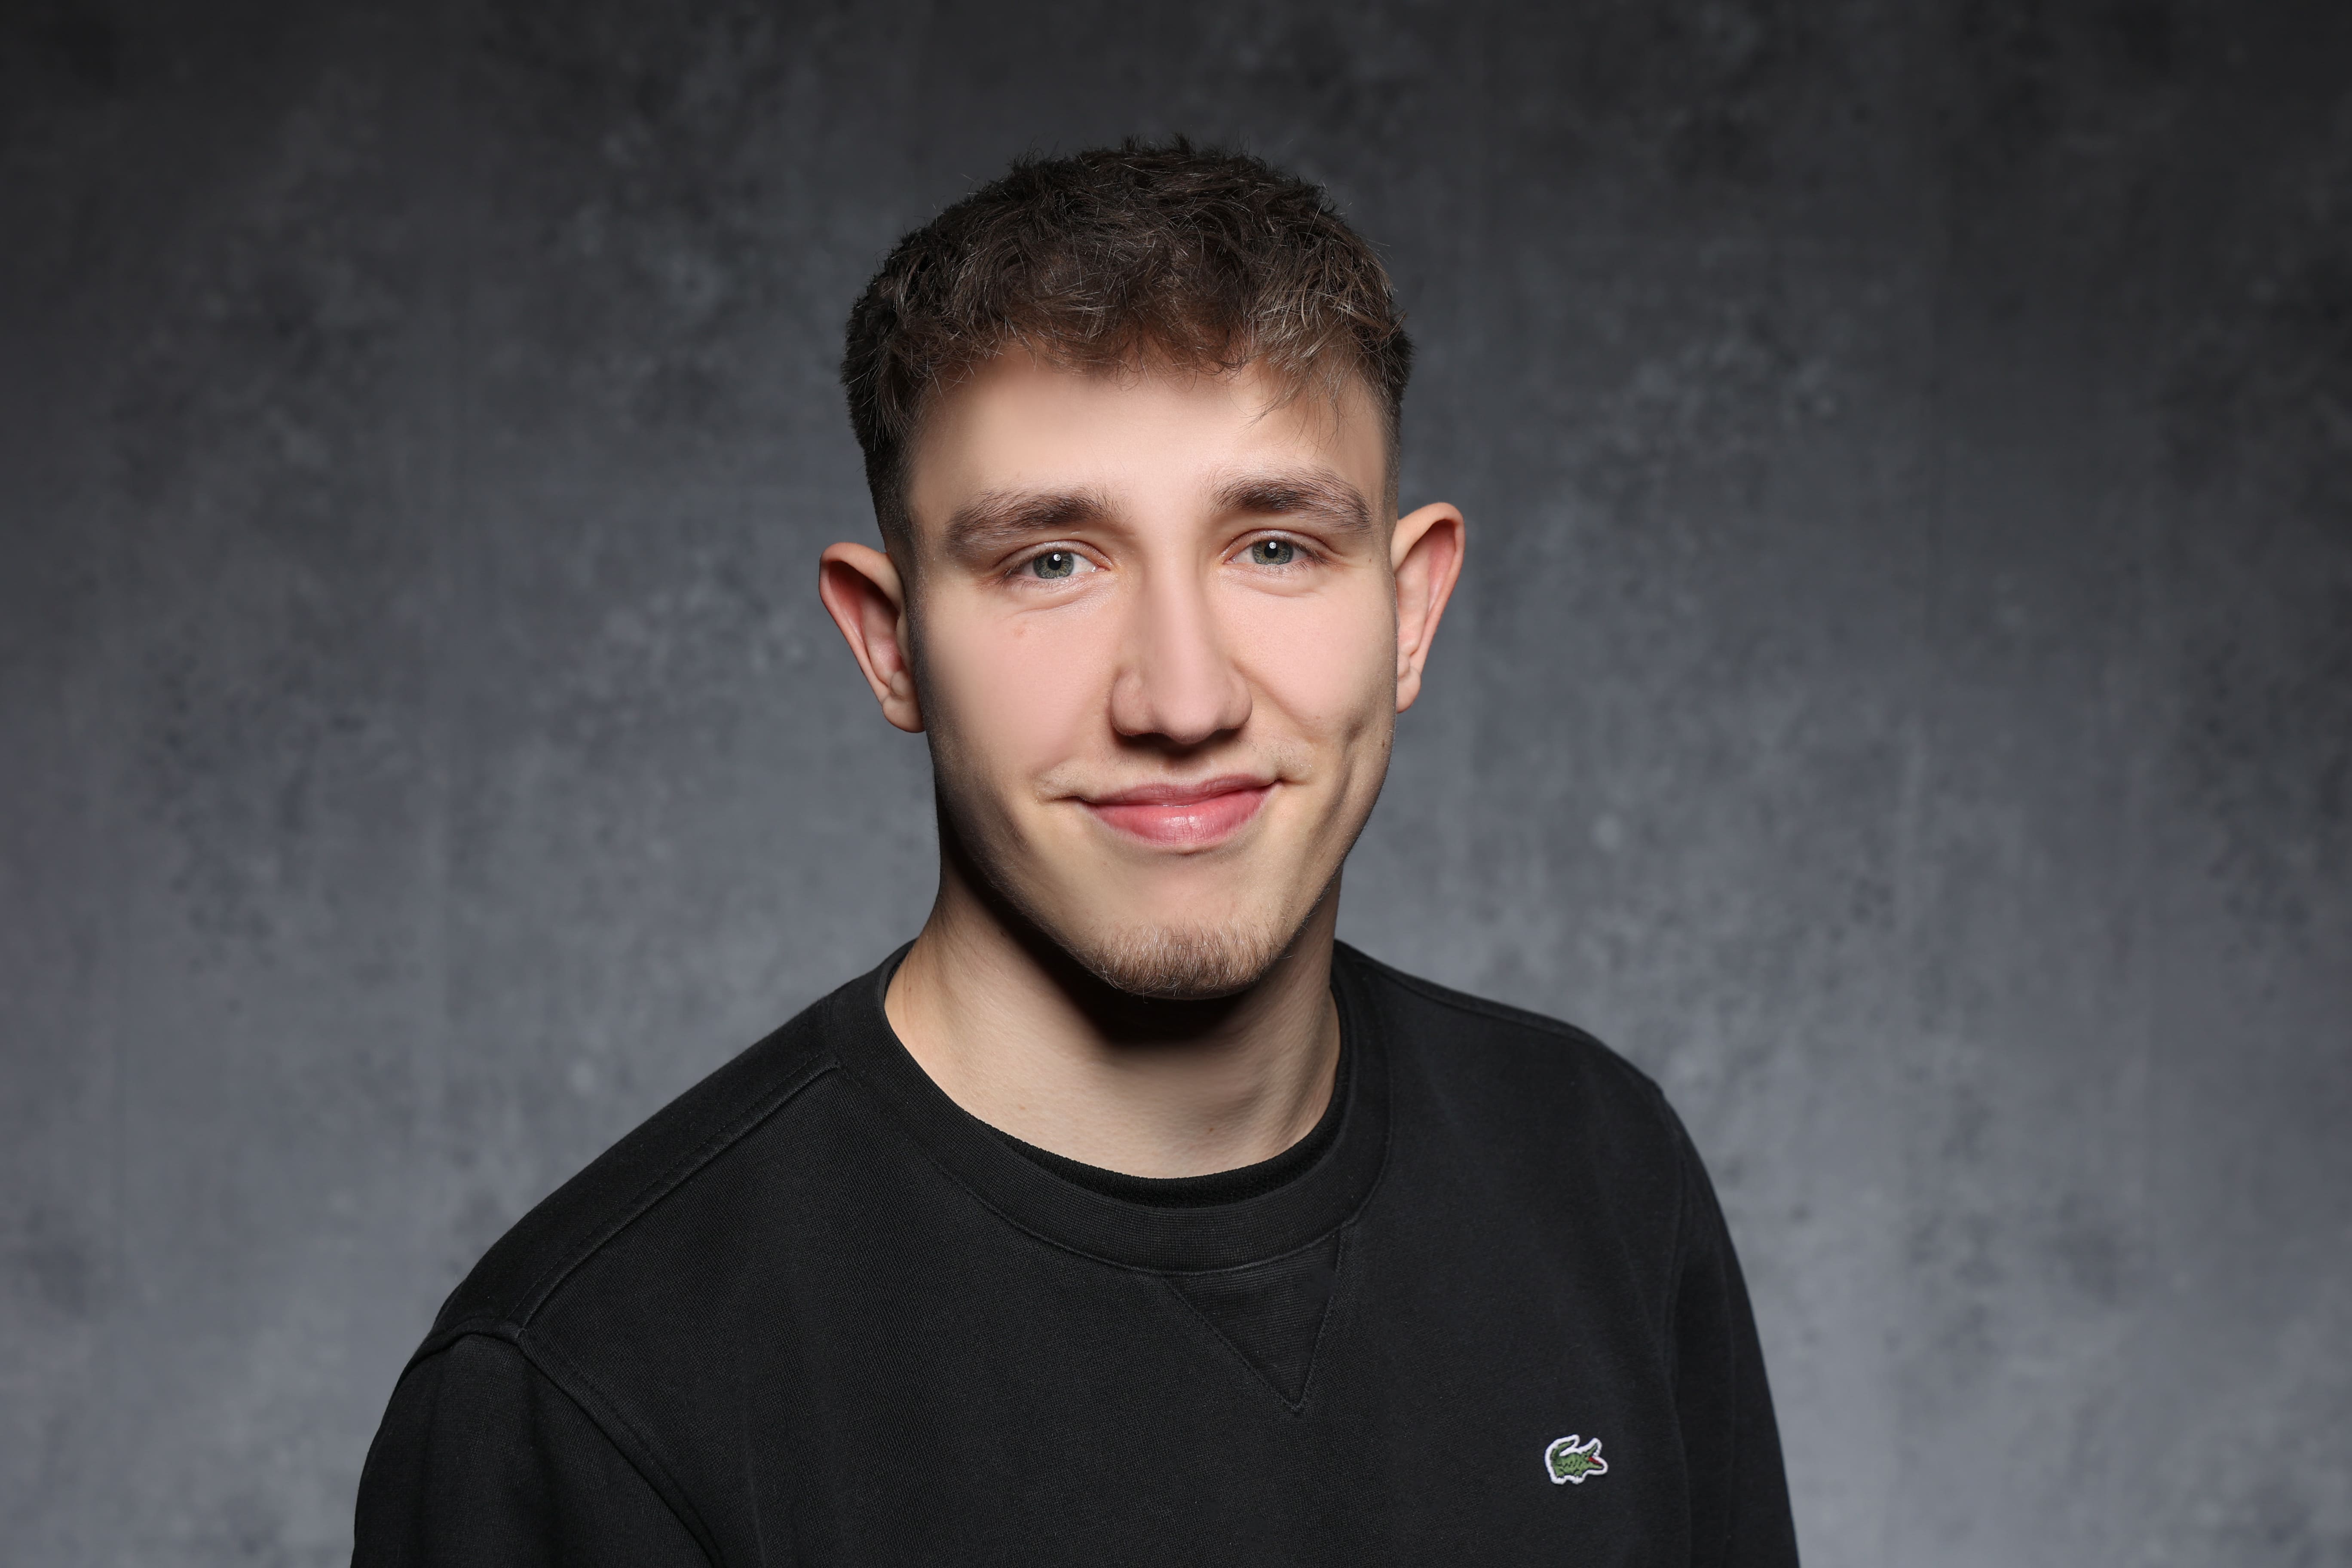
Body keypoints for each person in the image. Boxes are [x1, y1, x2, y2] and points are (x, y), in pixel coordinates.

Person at [353, 140, 1798, 1566]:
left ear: (1409, 610)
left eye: (1277, 545)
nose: (1182, 699)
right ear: (891, 641)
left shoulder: (1599, 1172)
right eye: (1050, 560)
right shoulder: (588, 1388)